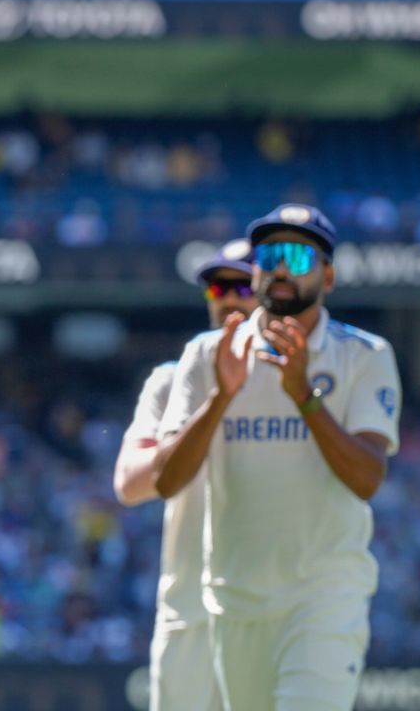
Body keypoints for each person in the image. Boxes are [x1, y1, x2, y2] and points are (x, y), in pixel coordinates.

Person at [154, 204, 401, 711]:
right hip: (233, 599)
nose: (281, 268)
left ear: (328, 275)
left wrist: (305, 398)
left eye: (297, 254)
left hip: (323, 599)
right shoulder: (208, 355)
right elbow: (166, 481)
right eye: (269, 255)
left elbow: (367, 479)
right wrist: (220, 397)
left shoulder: (364, 355)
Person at [114, 238, 257, 711]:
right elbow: (129, 485)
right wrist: (204, 413)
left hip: (271, 610)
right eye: (219, 287)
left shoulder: (297, 380)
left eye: (243, 285)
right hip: (190, 613)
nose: (230, 298)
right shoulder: (171, 380)